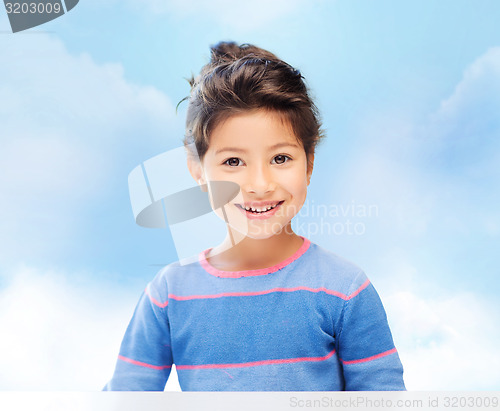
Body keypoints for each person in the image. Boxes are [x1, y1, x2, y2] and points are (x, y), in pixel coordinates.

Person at [104, 42, 405, 391]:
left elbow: (384, 399)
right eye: (233, 162)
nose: (259, 185)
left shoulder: (345, 290)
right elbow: (126, 397)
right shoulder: (170, 294)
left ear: (309, 163)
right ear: (198, 172)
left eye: (280, 158)